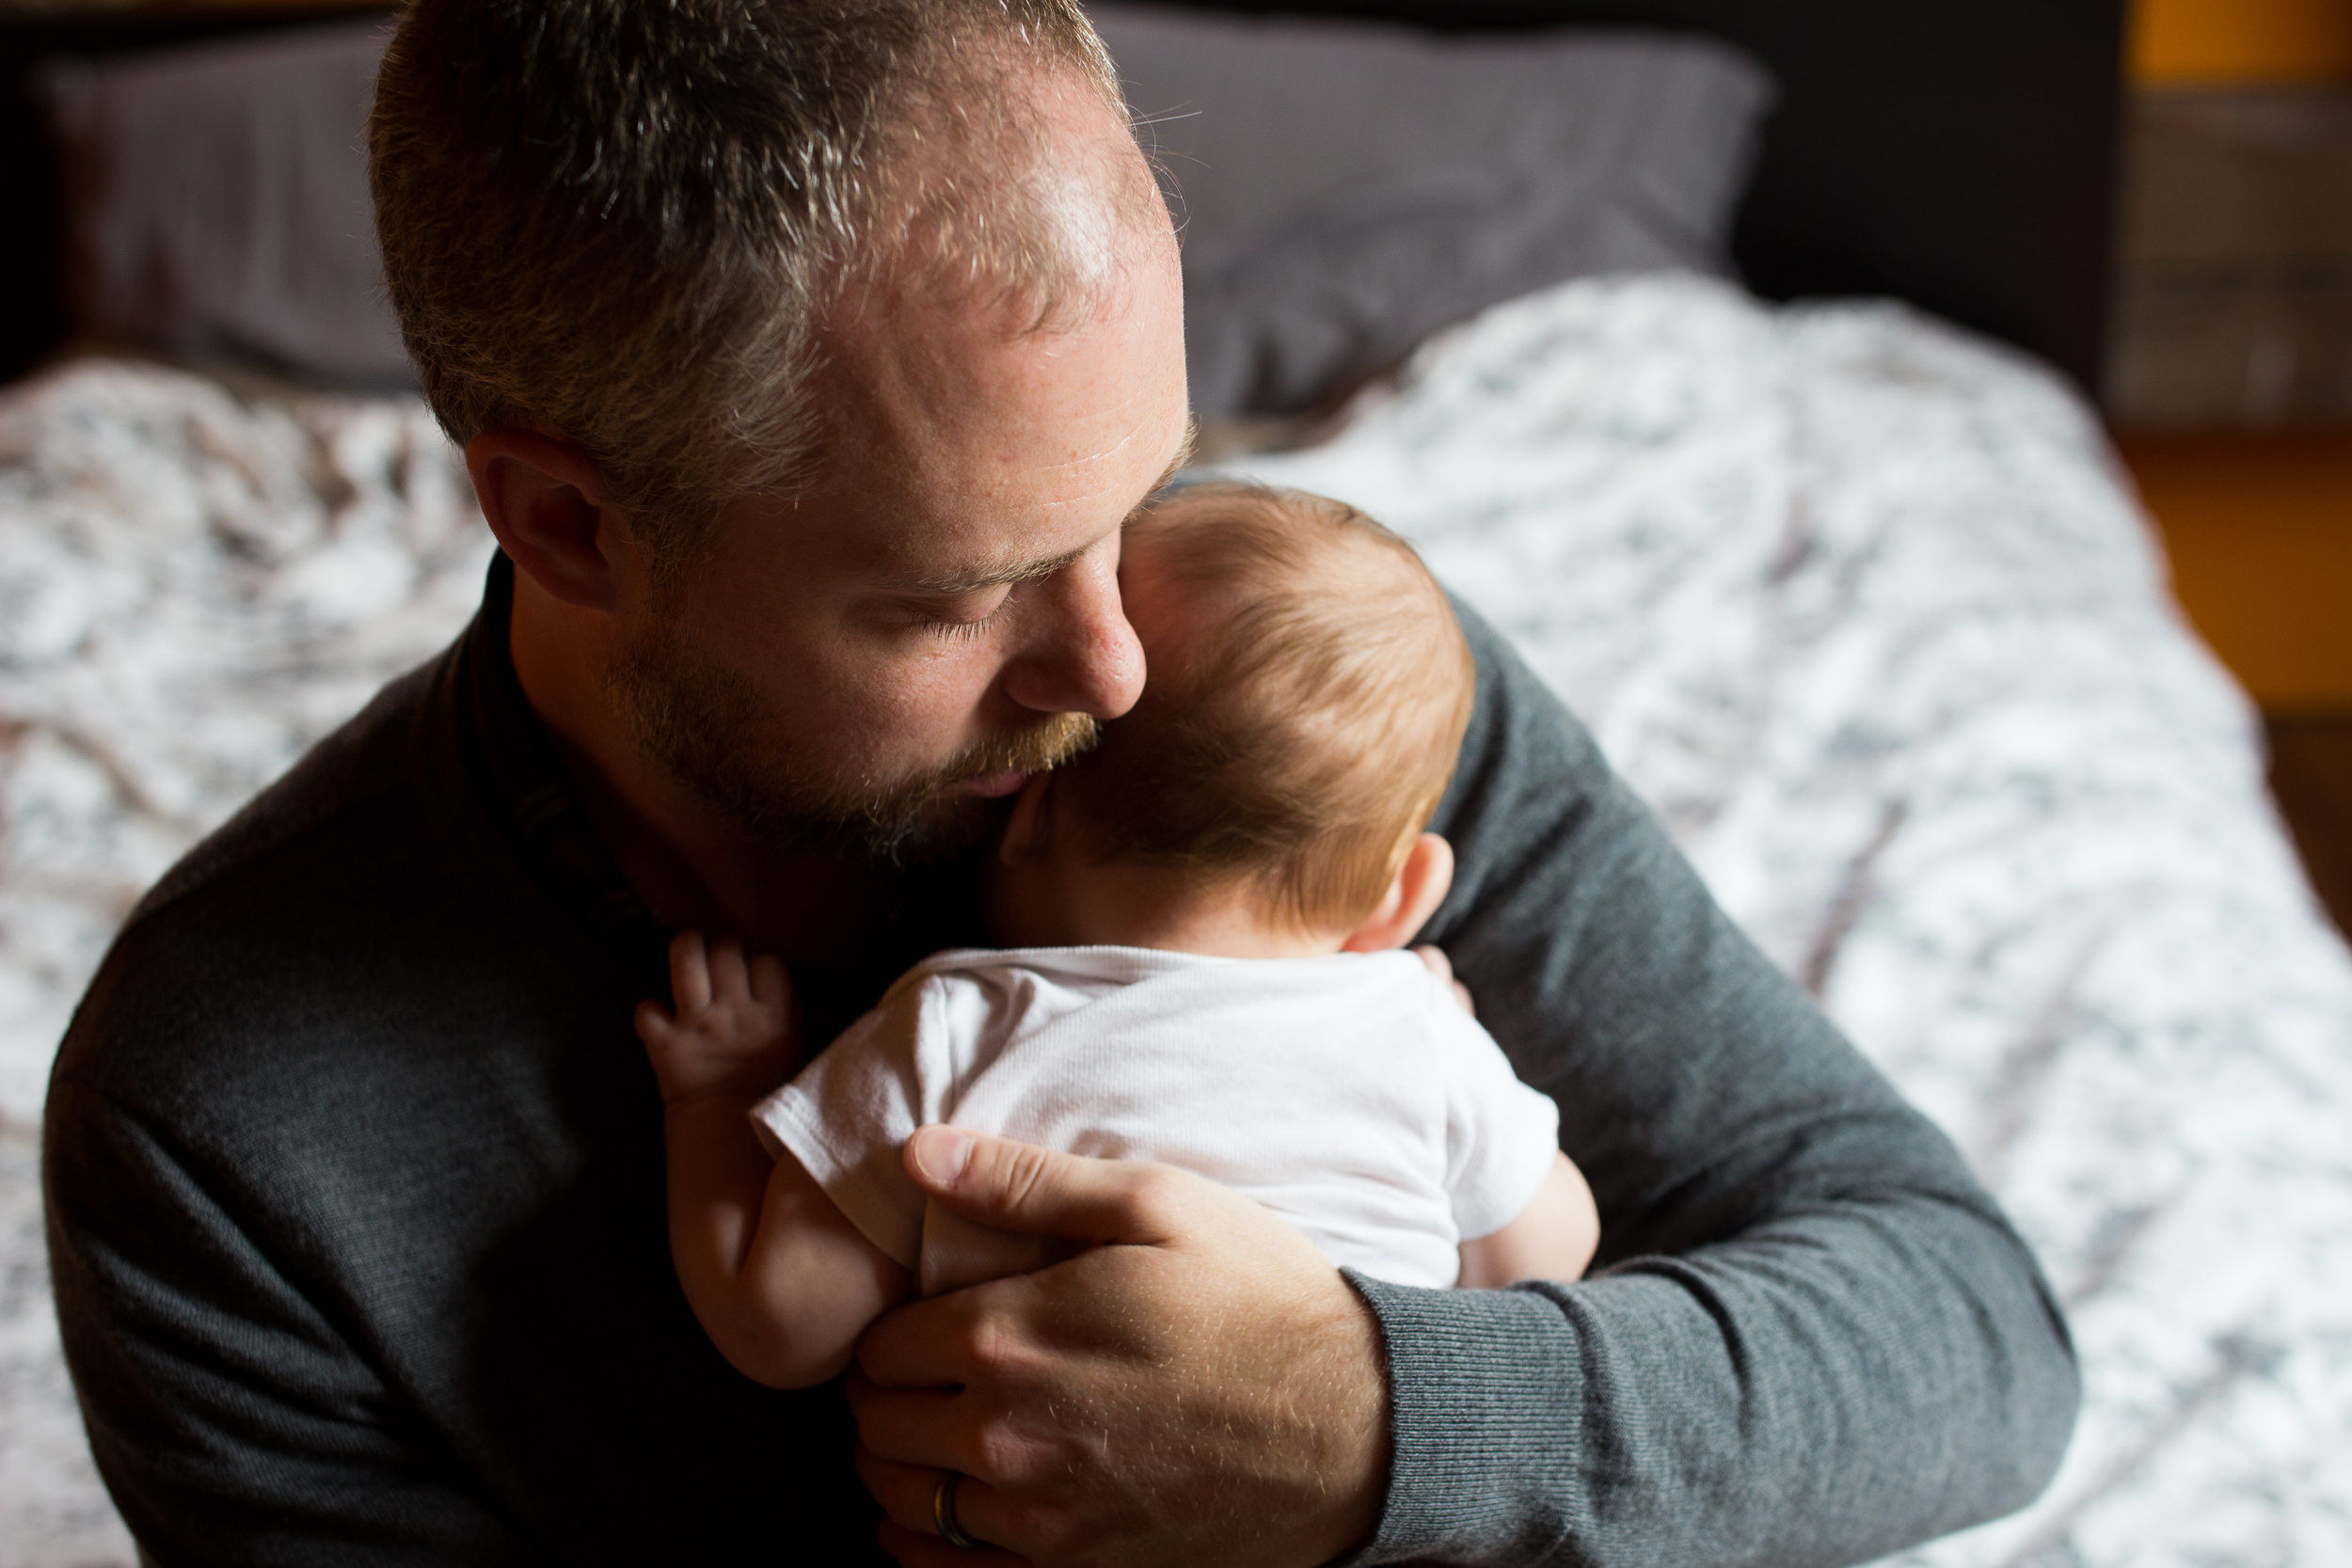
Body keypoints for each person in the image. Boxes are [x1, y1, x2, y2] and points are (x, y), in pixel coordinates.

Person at [43, 0, 2079, 1562]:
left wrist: (1376, 1421)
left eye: (1139, 495)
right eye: (961, 588)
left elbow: (1967, 1334)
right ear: (567, 526)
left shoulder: (1290, 705)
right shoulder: (233, 1117)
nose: (1110, 660)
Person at [639, 484, 1601, 1393]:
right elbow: (1548, 1254)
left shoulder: (954, 1030)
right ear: (1402, 899)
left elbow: (777, 1323)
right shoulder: (1418, 1034)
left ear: (1024, 806)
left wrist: (717, 1094)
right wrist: (1452, 1045)